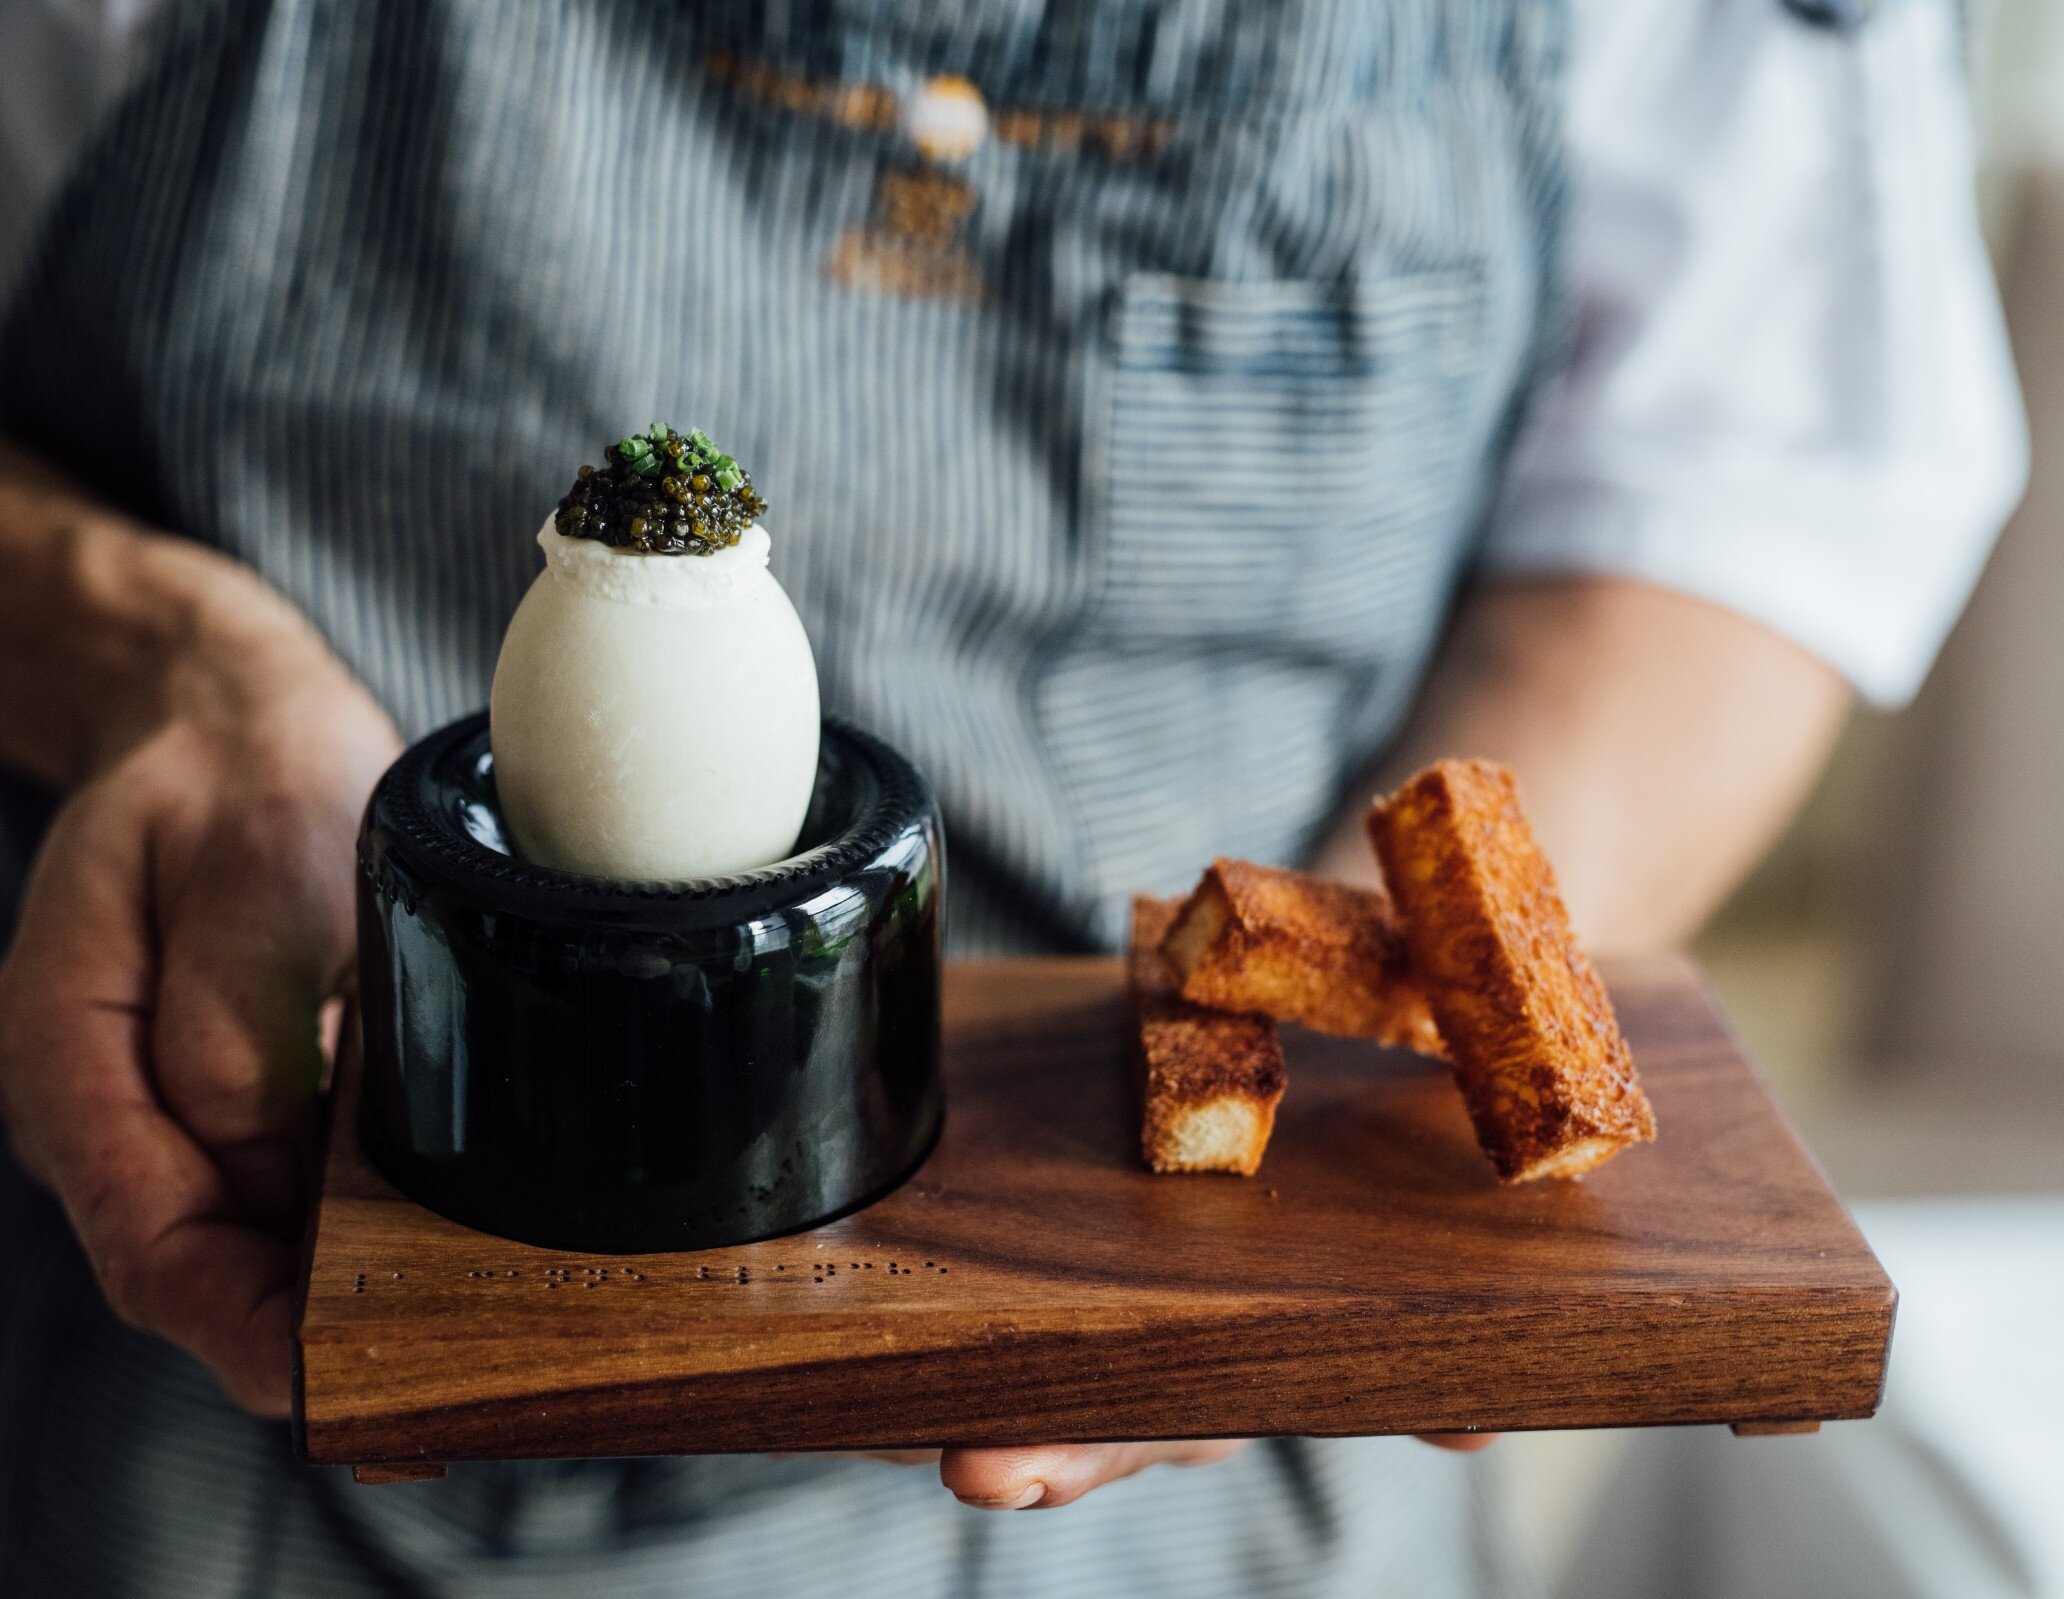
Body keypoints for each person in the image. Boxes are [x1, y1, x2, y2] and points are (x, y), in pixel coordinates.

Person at [0, 0, 2024, 1594]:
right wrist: (158, 669)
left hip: (1221, 1464)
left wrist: (1281, 1203)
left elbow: (1736, 493)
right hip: (277, 1403)